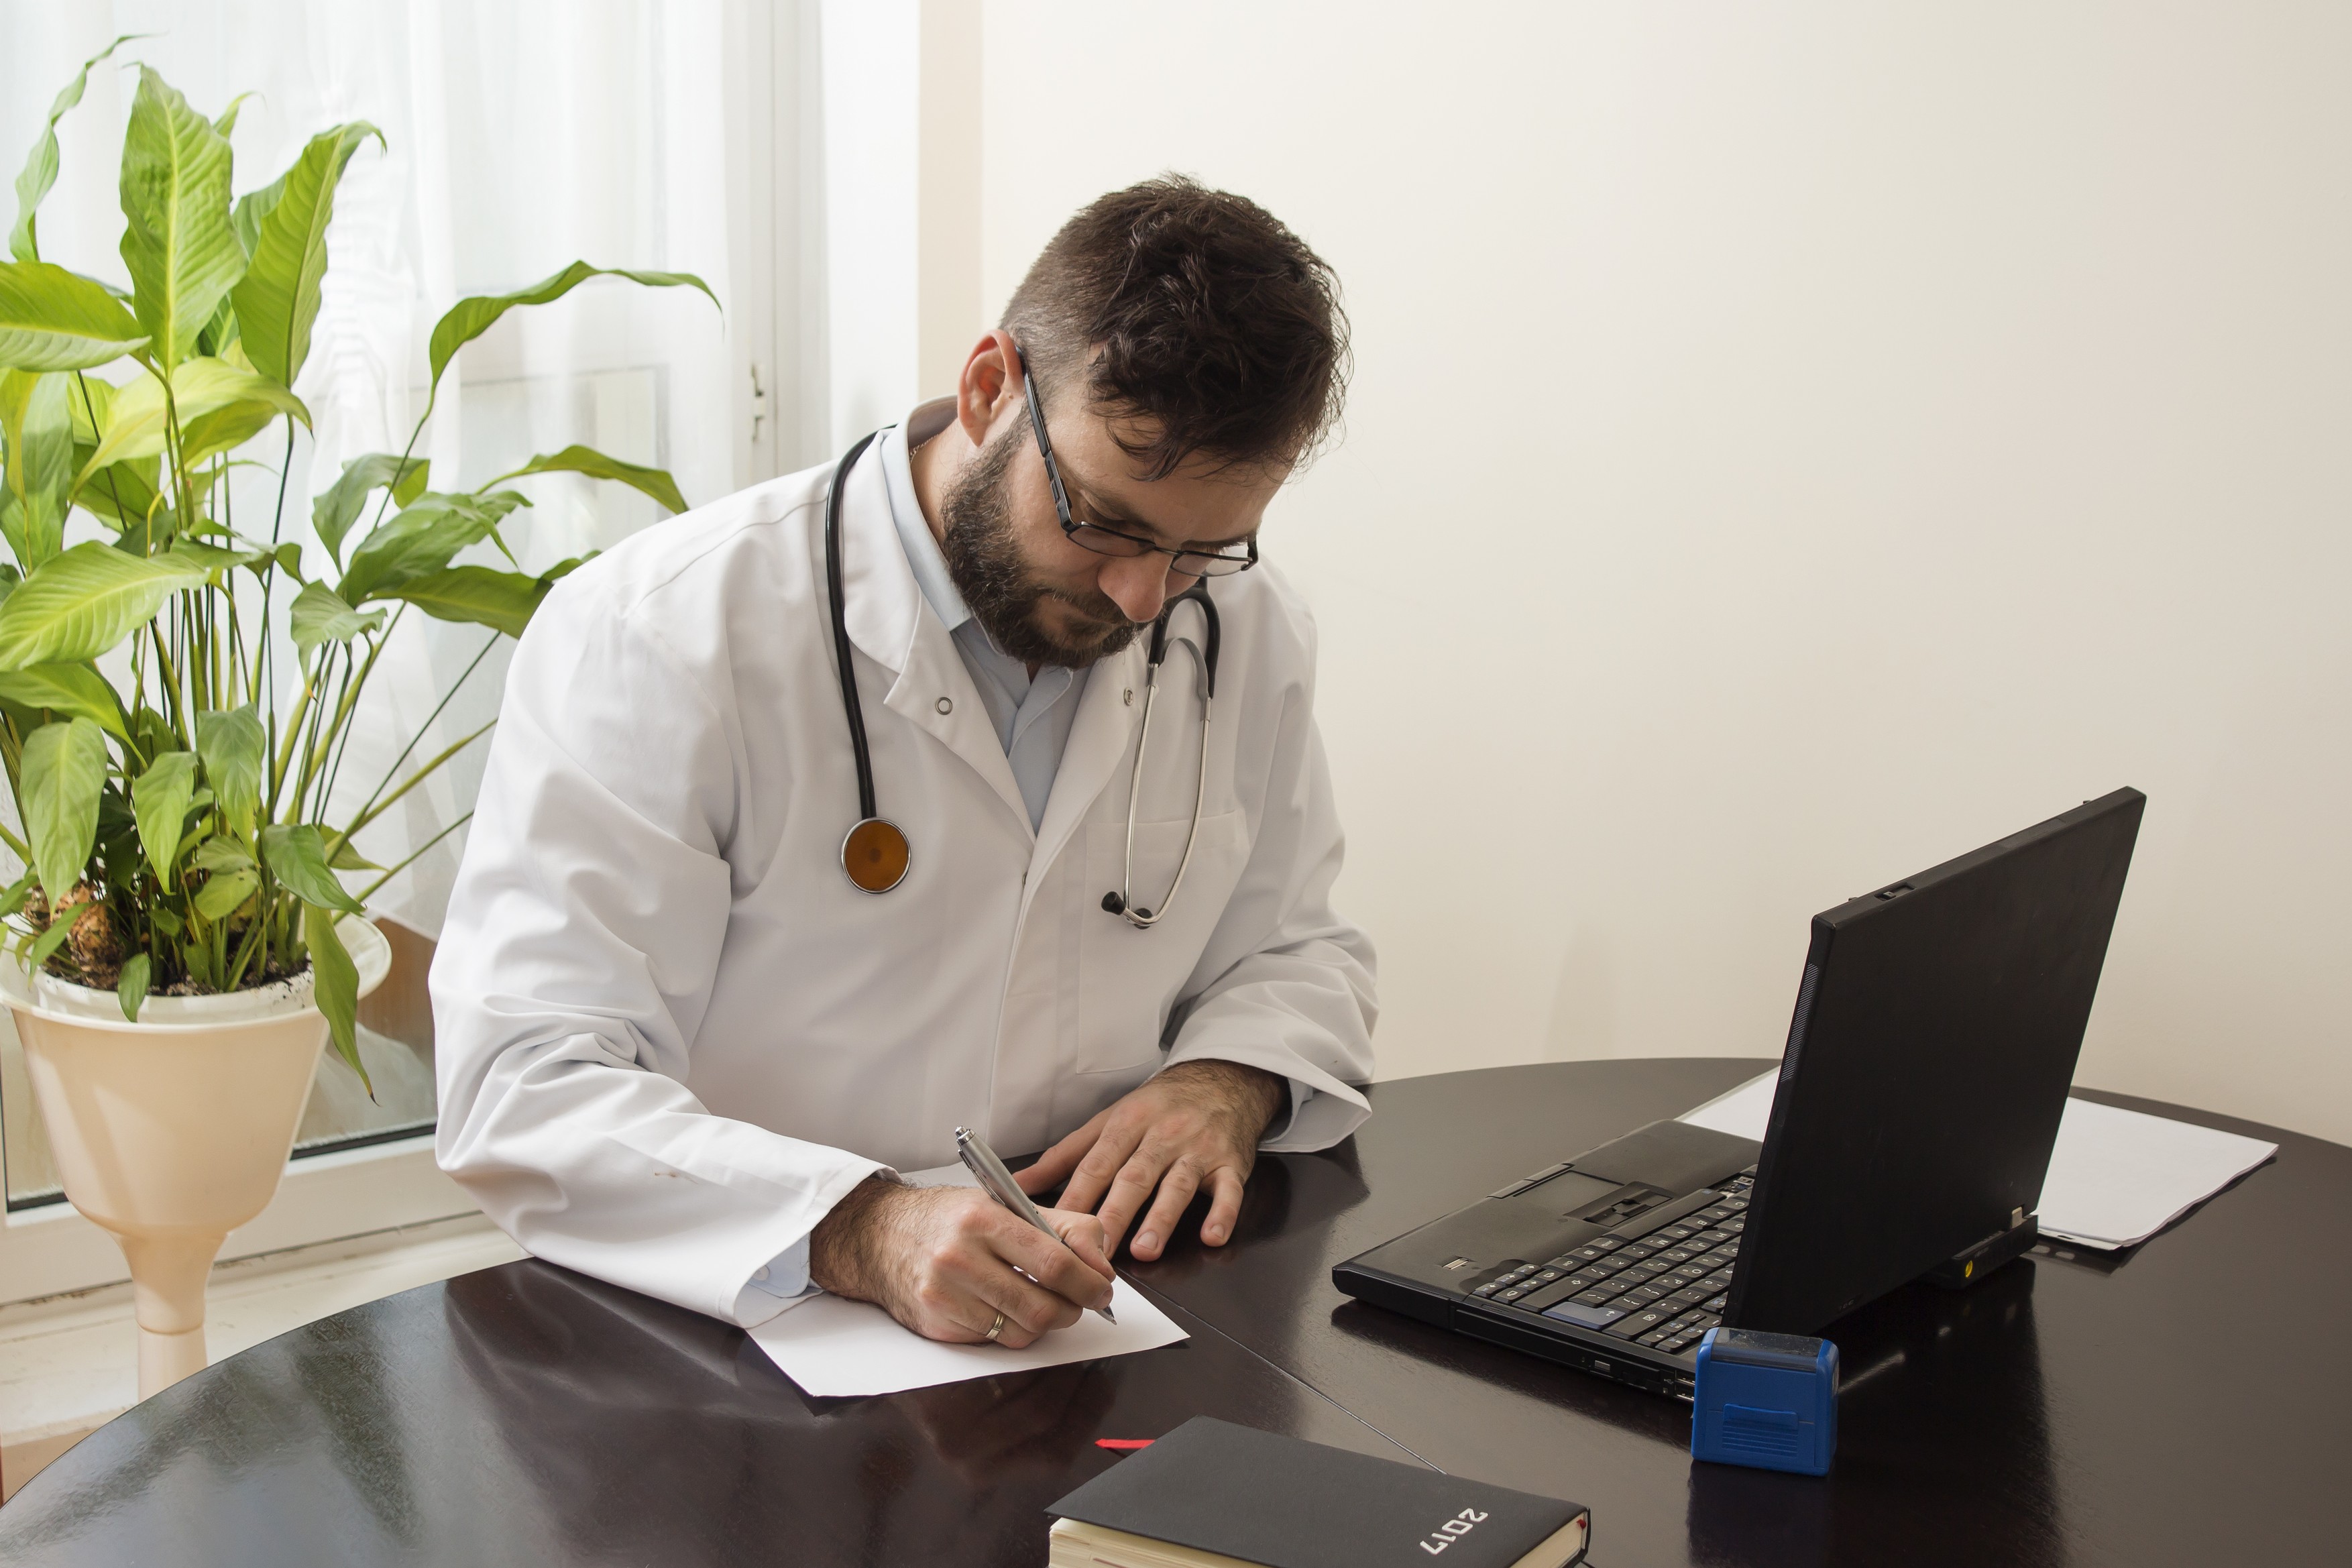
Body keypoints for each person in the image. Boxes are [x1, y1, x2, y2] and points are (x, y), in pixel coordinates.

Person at [431, 177, 1376, 1350]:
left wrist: (1226, 1081)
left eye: (1200, 549)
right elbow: (525, 1079)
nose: (1144, 596)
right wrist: (858, 1226)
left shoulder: (1242, 628)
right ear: (990, 388)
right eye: (1104, 522)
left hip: (1106, 1311)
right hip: (749, 1325)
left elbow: (1297, 948)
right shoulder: (662, 631)